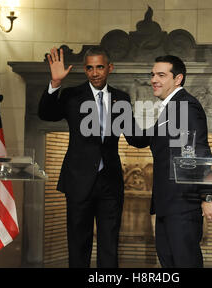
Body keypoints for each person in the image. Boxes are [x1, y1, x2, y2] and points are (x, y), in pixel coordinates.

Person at [38, 46, 138, 268]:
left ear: (109, 68)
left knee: (109, 245)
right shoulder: (72, 95)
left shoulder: (120, 98)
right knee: (78, 245)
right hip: (78, 181)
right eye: (90, 68)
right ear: (85, 70)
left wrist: (164, 129)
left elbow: (134, 136)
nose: (95, 73)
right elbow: (46, 114)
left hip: (110, 183)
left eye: (100, 67)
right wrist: (55, 84)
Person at [133, 55, 212, 267]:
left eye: (161, 75)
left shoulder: (187, 106)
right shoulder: (169, 108)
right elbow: (142, 139)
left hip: (183, 204)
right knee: (169, 263)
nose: (154, 79)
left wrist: (208, 196)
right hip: (167, 204)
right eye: (153, 74)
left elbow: (198, 150)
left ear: (178, 79)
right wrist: (121, 113)